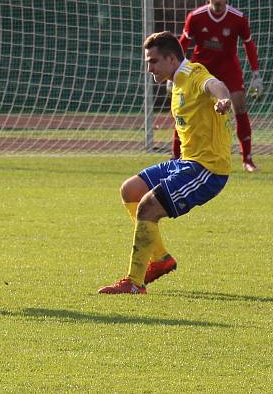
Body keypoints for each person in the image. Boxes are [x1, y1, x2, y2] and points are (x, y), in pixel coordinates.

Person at [99, 31, 232, 295]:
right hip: (186, 162)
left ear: (172, 59)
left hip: (208, 169)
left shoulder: (192, 74)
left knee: (148, 206)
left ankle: (134, 283)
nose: (149, 68)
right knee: (131, 189)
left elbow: (214, 85)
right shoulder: (175, 82)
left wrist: (223, 99)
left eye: (153, 61)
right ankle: (160, 259)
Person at [174, 0, 263, 172]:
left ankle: (247, 159)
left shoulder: (238, 18)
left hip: (228, 67)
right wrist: (176, 71)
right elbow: (183, 44)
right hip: (201, 67)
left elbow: (249, 44)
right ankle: (176, 156)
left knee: (239, 104)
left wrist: (256, 73)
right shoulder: (195, 17)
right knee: (185, 107)